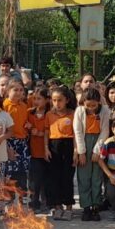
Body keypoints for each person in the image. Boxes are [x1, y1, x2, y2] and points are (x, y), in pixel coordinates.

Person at [74, 86, 108, 221]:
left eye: (94, 105)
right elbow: (78, 132)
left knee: (97, 177)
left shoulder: (105, 111)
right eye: (88, 105)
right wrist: (81, 152)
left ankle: (96, 206)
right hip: (84, 142)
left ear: (99, 102)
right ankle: (86, 207)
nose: (91, 108)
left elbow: (105, 131)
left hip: (98, 142)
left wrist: (97, 150)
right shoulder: (79, 111)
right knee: (83, 177)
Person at [44, 85, 76, 220]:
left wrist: (75, 151)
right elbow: (46, 132)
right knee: (54, 178)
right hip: (53, 147)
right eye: (54, 100)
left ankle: (69, 207)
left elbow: (75, 134)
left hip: (68, 146)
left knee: (67, 178)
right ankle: (57, 207)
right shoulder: (49, 115)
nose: (57, 103)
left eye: (60, 100)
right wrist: (45, 148)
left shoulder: (73, 114)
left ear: (67, 100)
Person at [2, 79, 31, 196]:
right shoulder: (4, 106)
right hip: (10, 142)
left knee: (22, 172)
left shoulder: (24, 106)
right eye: (15, 90)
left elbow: (24, 122)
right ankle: (9, 201)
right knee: (10, 173)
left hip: (22, 142)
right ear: (8, 91)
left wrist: (28, 125)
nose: (19, 93)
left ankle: (21, 200)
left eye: (21, 90)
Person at [24, 87, 50, 212]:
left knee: (46, 179)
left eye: (39, 99)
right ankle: (34, 203)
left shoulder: (50, 114)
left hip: (47, 151)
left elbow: (50, 131)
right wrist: (29, 128)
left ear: (46, 100)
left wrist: (38, 132)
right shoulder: (29, 113)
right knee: (34, 180)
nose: (36, 101)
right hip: (33, 152)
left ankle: (46, 202)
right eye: (34, 98)